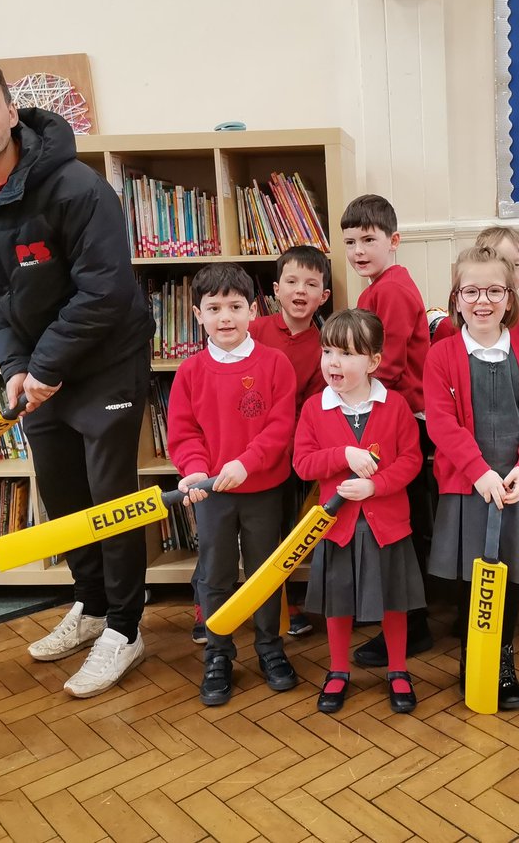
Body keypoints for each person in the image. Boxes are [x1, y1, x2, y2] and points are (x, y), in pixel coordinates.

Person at [0, 52, 155, 698]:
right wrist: (15, 366)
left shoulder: (77, 188)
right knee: (62, 492)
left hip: (106, 361)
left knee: (109, 499)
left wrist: (44, 367)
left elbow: (106, 291)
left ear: (10, 110)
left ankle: (125, 628)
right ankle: (90, 606)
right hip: (38, 371)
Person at [425, 245, 519, 710]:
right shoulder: (442, 356)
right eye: (471, 291)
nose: (482, 301)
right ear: (456, 298)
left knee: (513, 578)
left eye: (494, 291)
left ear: (509, 298)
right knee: (471, 581)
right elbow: (442, 423)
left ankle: (503, 658)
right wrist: (479, 473)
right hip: (468, 489)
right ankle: (473, 657)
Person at [167, 263, 298, 706]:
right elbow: (184, 433)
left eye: (235, 306)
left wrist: (247, 463)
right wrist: (194, 471)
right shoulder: (190, 372)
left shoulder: (275, 363)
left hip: (263, 489)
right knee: (216, 574)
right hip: (212, 495)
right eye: (214, 308)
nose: (225, 317)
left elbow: (281, 426)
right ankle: (218, 652)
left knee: (265, 571)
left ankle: (270, 647)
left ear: (253, 310)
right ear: (197, 314)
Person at [293, 309, 425, 714]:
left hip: (388, 527)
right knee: (339, 602)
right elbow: (303, 464)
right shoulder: (314, 409)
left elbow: (411, 461)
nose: (333, 362)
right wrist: (343, 455)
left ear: (373, 361)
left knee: (393, 601)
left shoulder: (396, 406)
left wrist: (375, 485)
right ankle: (337, 671)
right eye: (327, 351)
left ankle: (398, 669)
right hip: (339, 529)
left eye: (347, 354)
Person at [342, 194, 434, 664]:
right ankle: (399, 616)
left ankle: (412, 625)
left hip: (401, 419)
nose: (358, 250)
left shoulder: (391, 290)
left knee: (398, 527)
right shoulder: (378, 287)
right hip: (390, 412)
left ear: (393, 240)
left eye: (368, 239)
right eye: (350, 242)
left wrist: (358, 412)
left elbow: (389, 365)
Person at [249, 244, 333, 641]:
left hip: (283, 455)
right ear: (276, 289)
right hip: (238, 449)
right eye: (292, 281)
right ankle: (205, 608)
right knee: (223, 533)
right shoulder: (254, 330)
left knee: (278, 531)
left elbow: (311, 407)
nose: (301, 291)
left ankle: (283, 602)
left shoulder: (323, 346)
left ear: (324, 296)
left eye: (311, 284)